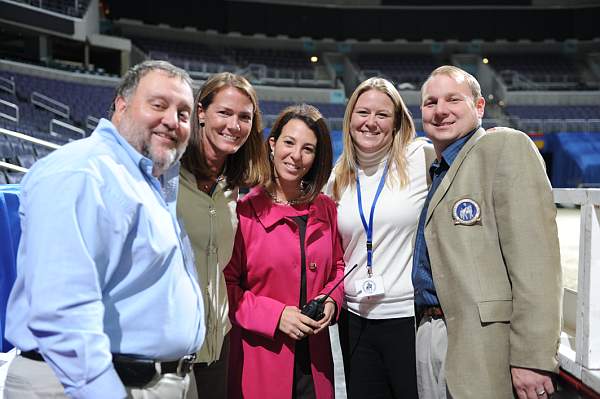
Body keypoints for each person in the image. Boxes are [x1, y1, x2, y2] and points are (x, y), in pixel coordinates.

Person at [3, 60, 205, 399]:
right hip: (87, 385)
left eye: (183, 114)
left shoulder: (144, 177)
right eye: (158, 105)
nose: (172, 121)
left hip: (142, 382)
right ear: (121, 105)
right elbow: (62, 311)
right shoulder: (83, 172)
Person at [412, 65, 561, 399]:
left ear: (479, 107)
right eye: (430, 102)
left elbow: (536, 261)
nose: (440, 111)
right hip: (430, 335)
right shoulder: (436, 169)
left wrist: (532, 357)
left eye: (453, 99)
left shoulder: (504, 148)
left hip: (484, 347)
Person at [224, 104, 345, 399]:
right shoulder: (245, 211)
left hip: (316, 362)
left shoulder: (326, 207)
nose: (296, 156)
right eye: (289, 142)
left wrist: (331, 301)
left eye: (308, 149)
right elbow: (226, 287)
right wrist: (276, 316)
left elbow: (338, 268)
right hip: (261, 357)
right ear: (273, 144)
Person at [326, 77, 430, 399]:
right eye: (363, 113)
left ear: (397, 121)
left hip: (408, 319)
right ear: (350, 119)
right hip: (355, 321)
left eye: (382, 115)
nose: (371, 122)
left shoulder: (420, 156)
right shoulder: (339, 174)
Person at [178, 72, 267, 399]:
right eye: (225, 113)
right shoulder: (167, 173)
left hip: (216, 345)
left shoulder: (233, 186)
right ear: (201, 112)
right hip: (169, 349)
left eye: (244, 117)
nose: (234, 125)